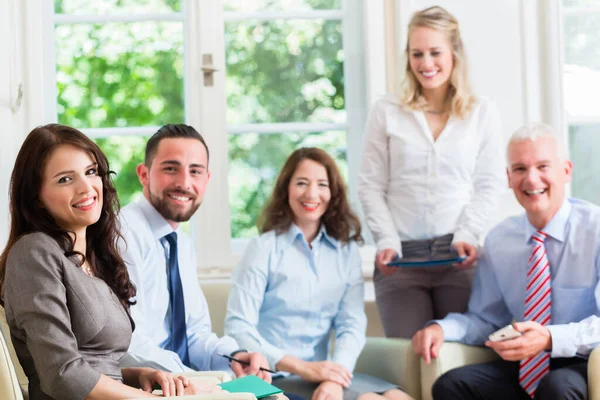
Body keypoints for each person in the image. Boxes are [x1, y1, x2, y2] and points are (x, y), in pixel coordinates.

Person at [0, 124, 216, 400]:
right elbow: (61, 374)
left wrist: (139, 375)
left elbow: (97, 364)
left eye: (91, 172)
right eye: (65, 179)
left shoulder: (96, 257)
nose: (86, 187)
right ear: (36, 197)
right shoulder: (34, 252)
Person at [412, 123, 599, 399]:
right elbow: (486, 319)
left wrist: (549, 338)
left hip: (582, 359)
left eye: (543, 166)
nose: (531, 180)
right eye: (520, 169)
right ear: (509, 177)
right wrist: (442, 328)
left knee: (557, 387)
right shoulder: (500, 240)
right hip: (526, 363)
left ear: (566, 171)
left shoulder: (595, 230)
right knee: (452, 385)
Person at [358, 5, 507, 339]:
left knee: (459, 364)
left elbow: (489, 182)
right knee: (412, 363)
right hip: (400, 258)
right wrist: (385, 239)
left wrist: (468, 232)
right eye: (417, 53)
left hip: (458, 255)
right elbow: (370, 185)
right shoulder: (387, 110)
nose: (426, 64)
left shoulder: (482, 112)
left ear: (454, 53)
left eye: (435, 52)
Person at [225, 147, 412, 400]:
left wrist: (335, 376)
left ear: (333, 193)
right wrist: (303, 368)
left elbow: (352, 324)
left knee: (399, 398)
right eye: (301, 183)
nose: (312, 194)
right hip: (272, 375)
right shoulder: (263, 248)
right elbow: (239, 326)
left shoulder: (345, 253)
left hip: (324, 374)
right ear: (286, 189)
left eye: (322, 184)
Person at [118, 124, 272, 382]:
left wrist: (235, 355)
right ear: (144, 174)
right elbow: (129, 341)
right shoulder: (124, 234)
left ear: (207, 180)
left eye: (195, 171)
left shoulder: (182, 245)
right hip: (148, 388)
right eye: (170, 168)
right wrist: (201, 383)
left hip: (183, 384)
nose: (184, 183)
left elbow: (195, 335)